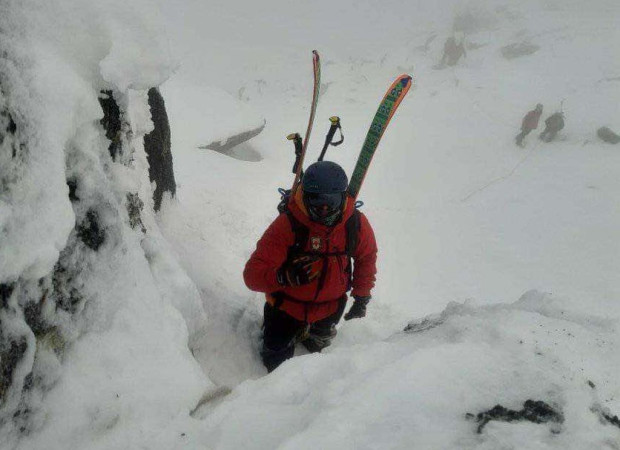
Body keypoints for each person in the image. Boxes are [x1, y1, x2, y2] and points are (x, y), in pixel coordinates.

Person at [243, 161, 378, 372]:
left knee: (316, 349)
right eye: (316, 200)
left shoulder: (355, 224)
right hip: (287, 307)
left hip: (331, 307)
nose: (324, 209)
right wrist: (283, 277)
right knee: (274, 363)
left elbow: (366, 258)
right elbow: (252, 275)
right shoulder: (288, 224)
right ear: (304, 196)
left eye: (330, 201)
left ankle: (312, 335)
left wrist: (361, 298)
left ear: (342, 198)